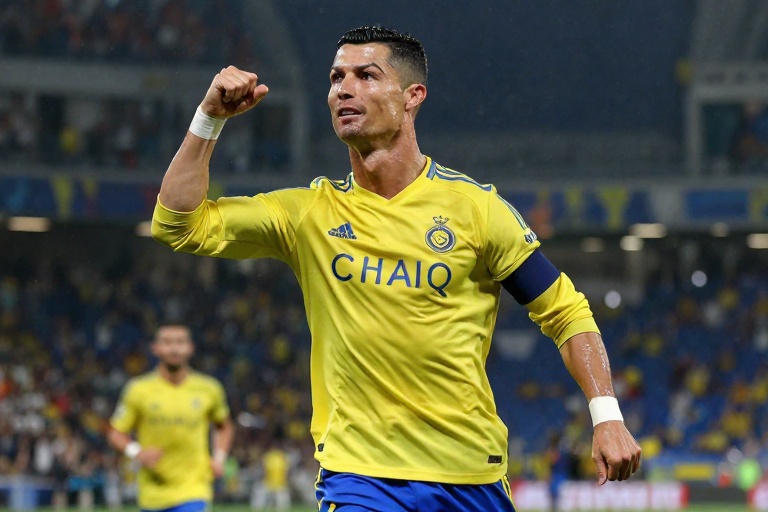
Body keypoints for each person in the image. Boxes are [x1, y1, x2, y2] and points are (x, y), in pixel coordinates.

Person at [151, 26, 641, 512]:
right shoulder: (308, 215)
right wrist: (208, 119)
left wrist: (607, 416)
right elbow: (177, 224)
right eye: (336, 77)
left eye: (366, 75)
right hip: (360, 479)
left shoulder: (476, 210)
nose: (344, 89)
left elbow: (566, 313)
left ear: (412, 96)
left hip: (469, 476)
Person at [107, 324, 234, 512]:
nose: (174, 349)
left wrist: (219, 458)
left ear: (190, 348)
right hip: (152, 491)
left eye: (180, 342)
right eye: (167, 342)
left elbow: (224, 425)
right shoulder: (138, 390)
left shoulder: (209, 389)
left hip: (194, 487)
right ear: (155, 348)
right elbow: (115, 432)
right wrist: (137, 453)